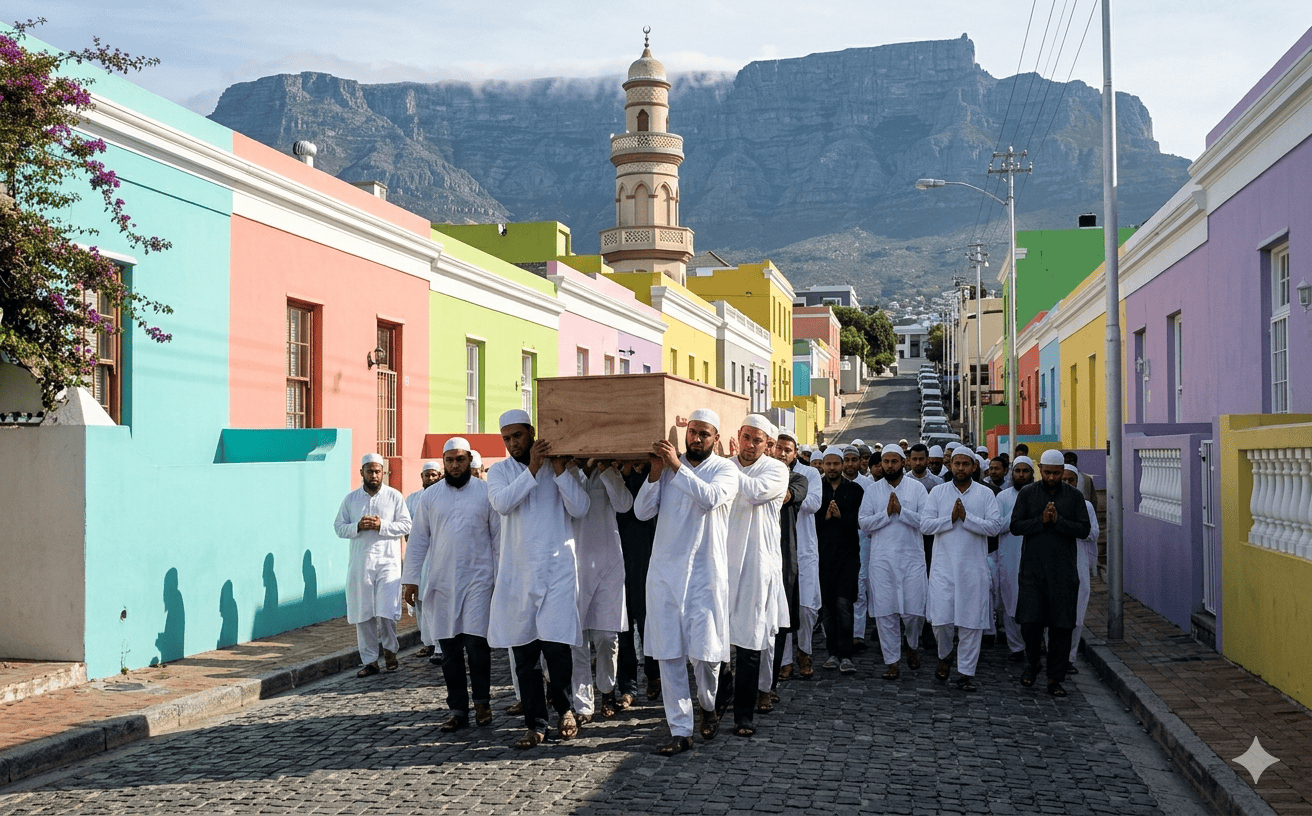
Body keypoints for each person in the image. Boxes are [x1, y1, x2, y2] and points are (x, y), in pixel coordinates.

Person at [635, 408, 739, 756]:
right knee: (669, 654)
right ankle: (681, 730)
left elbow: (709, 499)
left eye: (703, 433)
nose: (695, 438)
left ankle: (709, 704)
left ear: (716, 439)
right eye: (691, 431)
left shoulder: (725, 470)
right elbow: (641, 512)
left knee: (706, 656)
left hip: (704, 577)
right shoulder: (667, 467)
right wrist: (654, 473)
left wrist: (675, 467)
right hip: (665, 575)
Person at [486, 409, 590, 749]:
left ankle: (566, 710)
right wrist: (532, 468)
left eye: (518, 436)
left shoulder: (560, 467)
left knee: (558, 648)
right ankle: (536, 723)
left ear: (532, 433)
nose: (513, 443)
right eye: (507, 438)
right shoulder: (499, 472)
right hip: (518, 575)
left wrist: (559, 471)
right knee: (525, 656)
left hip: (557, 570)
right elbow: (503, 504)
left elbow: (580, 508)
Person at [401, 438, 500, 731]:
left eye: (460, 459)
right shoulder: (431, 498)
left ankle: (482, 704)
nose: (455, 465)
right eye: (450, 460)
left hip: (480, 580)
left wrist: (500, 578)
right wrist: (410, 580)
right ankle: (458, 709)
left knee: (477, 648)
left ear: (469, 460)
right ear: (443, 463)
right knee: (450, 652)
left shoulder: (485, 492)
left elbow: (498, 538)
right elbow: (418, 540)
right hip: (442, 583)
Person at [721, 415, 789, 737]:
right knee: (715, 640)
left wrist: (725, 465)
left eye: (756, 440)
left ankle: (743, 715)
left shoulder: (777, 470)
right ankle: (718, 700)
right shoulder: (723, 465)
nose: (749, 445)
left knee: (748, 643)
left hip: (756, 567)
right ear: (738, 435)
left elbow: (750, 493)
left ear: (769, 445)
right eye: (745, 437)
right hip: (720, 563)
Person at [920, 448, 1004, 691]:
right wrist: (950, 518)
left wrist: (967, 519)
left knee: (971, 623)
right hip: (943, 569)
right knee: (940, 620)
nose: (960, 468)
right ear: (951, 465)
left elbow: (995, 526)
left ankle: (966, 672)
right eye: (956, 464)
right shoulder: (938, 492)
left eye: (965, 464)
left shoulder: (985, 494)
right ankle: (945, 656)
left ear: (974, 467)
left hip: (973, 569)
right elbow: (925, 525)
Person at [1011, 449, 1092, 697]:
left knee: (1061, 628)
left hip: (1063, 574)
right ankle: (1033, 662)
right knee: (1030, 624)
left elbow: (1084, 529)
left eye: (1057, 473)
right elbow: (1015, 526)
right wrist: (1042, 521)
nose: (1053, 477)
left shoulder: (1075, 497)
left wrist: (1058, 522)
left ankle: (1054, 679)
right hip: (1033, 573)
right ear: (1041, 470)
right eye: (1048, 473)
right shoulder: (1027, 494)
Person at [333, 453, 411, 677]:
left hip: (388, 563)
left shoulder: (394, 497)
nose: (374, 475)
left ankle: (390, 652)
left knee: (387, 611)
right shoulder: (351, 500)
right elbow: (338, 527)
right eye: (370, 471)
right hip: (361, 563)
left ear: (383, 473)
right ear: (362, 473)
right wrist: (357, 526)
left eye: (378, 471)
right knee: (363, 612)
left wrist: (382, 525)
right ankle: (369, 661)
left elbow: (406, 525)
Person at [859, 443, 929, 680]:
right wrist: (887, 514)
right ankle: (892, 662)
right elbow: (864, 523)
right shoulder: (872, 490)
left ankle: (911, 644)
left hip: (911, 558)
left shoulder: (918, 489)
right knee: (885, 612)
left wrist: (902, 512)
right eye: (885, 462)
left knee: (913, 612)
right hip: (882, 560)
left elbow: (926, 524)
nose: (889, 466)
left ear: (904, 462)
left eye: (894, 461)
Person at [570, 458, 632, 722]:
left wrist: (607, 469)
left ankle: (607, 690)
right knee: (576, 638)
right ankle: (583, 704)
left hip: (608, 560)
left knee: (607, 635)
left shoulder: (609, 469)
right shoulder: (565, 470)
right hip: (573, 561)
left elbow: (624, 504)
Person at [815, 448, 865, 673]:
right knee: (828, 608)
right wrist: (825, 517)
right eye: (829, 464)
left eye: (837, 463)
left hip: (848, 557)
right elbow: (809, 521)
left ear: (843, 465)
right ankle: (832, 653)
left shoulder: (854, 490)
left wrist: (842, 517)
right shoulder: (817, 489)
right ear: (823, 466)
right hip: (823, 558)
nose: (833, 468)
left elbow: (862, 520)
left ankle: (846, 655)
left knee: (844, 605)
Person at [615, 459, 658, 709]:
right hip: (616, 555)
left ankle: (653, 674)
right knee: (622, 628)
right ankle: (628, 687)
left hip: (646, 557)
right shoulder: (612, 477)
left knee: (646, 622)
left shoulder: (651, 478)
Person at [768, 431, 809, 688]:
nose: (782, 453)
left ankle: (769, 684)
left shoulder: (798, 479)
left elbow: (784, 496)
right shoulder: (755, 474)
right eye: (778, 448)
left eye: (788, 450)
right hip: (750, 556)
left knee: (779, 623)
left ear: (795, 456)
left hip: (783, 557)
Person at [993, 457, 1035, 662]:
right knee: (1010, 602)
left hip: (1034, 556)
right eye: (1017, 471)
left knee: (1034, 603)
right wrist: (1017, 515)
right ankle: (1016, 647)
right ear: (1012, 473)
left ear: (1032, 474)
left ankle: (1034, 645)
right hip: (1009, 556)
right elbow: (996, 527)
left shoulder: (1039, 495)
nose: (1021, 475)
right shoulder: (1002, 498)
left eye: (1025, 471)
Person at [1063, 464, 1100, 675]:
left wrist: (1067, 526)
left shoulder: (1086, 506)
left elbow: (1093, 533)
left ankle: (1069, 657)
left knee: (1077, 613)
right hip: (1056, 563)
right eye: (1064, 480)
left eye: (1072, 480)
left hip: (1079, 565)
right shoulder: (1050, 503)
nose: (1068, 484)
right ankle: (1055, 655)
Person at [405, 460, 443, 662]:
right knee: (420, 601)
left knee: (434, 600)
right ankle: (428, 643)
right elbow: (407, 527)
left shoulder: (443, 496)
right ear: (421, 477)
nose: (430, 478)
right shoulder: (412, 499)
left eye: (434, 475)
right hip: (419, 555)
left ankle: (439, 646)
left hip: (438, 555)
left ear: (439, 476)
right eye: (427, 475)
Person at [845, 445, 877, 650]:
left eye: (853, 460)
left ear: (859, 462)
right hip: (838, 542)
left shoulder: (868, 485)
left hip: (863, 540)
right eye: (846, 460)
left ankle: (858, 634)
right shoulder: (830, 483)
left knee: (860, 586)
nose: (850, 464)